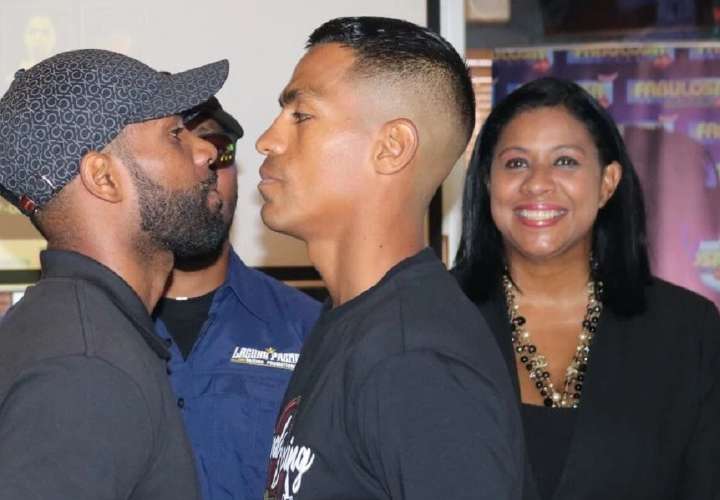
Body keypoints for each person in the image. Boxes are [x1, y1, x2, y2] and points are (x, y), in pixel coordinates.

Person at [256, 17, 524, 500]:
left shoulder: (416, 360)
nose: (267, 141)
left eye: (301, 116)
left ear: (392, 147)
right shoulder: (353, 320)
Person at [453, 76, 720, 500]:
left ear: (607, 183)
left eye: (565, 162)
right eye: (516, 163)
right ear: (488, 182)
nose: (538, 183)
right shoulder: (433, 317)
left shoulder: (687, 330)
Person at [0, 49, 229, 499]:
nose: (206, 151)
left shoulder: (83, 332)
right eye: (175, 134)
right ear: (103, 178)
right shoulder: (82, 370)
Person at [153, 97, 320, 500]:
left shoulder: (308, 330)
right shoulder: (87, 333)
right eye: (177, 144)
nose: (203, 164)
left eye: (218, 149)